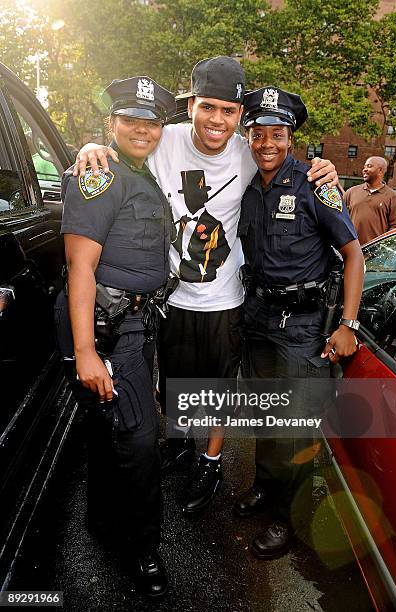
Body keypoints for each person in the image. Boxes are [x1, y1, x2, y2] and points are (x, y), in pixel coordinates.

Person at [73, 56, 339, 515]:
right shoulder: (163, 140)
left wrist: (327, 170)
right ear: (190, 104)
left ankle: (211, 460)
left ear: (239, 116)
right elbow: (125, 145)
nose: (217, 120)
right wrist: (89, 148)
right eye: (208, 107)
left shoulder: (248, 154)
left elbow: (288, 166)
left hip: (225, 297)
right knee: (170, 384)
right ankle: (179, 443)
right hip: (171, 297)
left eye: (229, 111)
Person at [54, 76, 176, 596]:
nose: (142, 129)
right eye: (130, 120)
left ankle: (103, 525)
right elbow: (79, 267)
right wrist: (86, 352)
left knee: (109, 432)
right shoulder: (99, 175)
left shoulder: (139, 174)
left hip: (133, 325)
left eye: (151, 122)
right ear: (111, 124)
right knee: (139, 441)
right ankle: (140, 547)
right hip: (107, 328)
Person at [234, 86, 364, 559]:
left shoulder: (315, 182)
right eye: (258, 134)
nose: (267, 143)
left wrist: (347, 323)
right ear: (248, 137)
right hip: (259, 317)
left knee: (297, 428)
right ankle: (267, 488)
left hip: (304, 326)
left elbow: (353, 255)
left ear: (290, 138)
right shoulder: (249, 187)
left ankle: (289, 519)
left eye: (277, 134)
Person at [344, 156, 396, 244]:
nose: (365, 169)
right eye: (364, 167)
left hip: (375, 253)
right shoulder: (351, 192)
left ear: (380, 171)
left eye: (369, 166)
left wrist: (383, 248)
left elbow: (395, 227)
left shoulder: (393, 197)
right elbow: (340, 218)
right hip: (350, 250)